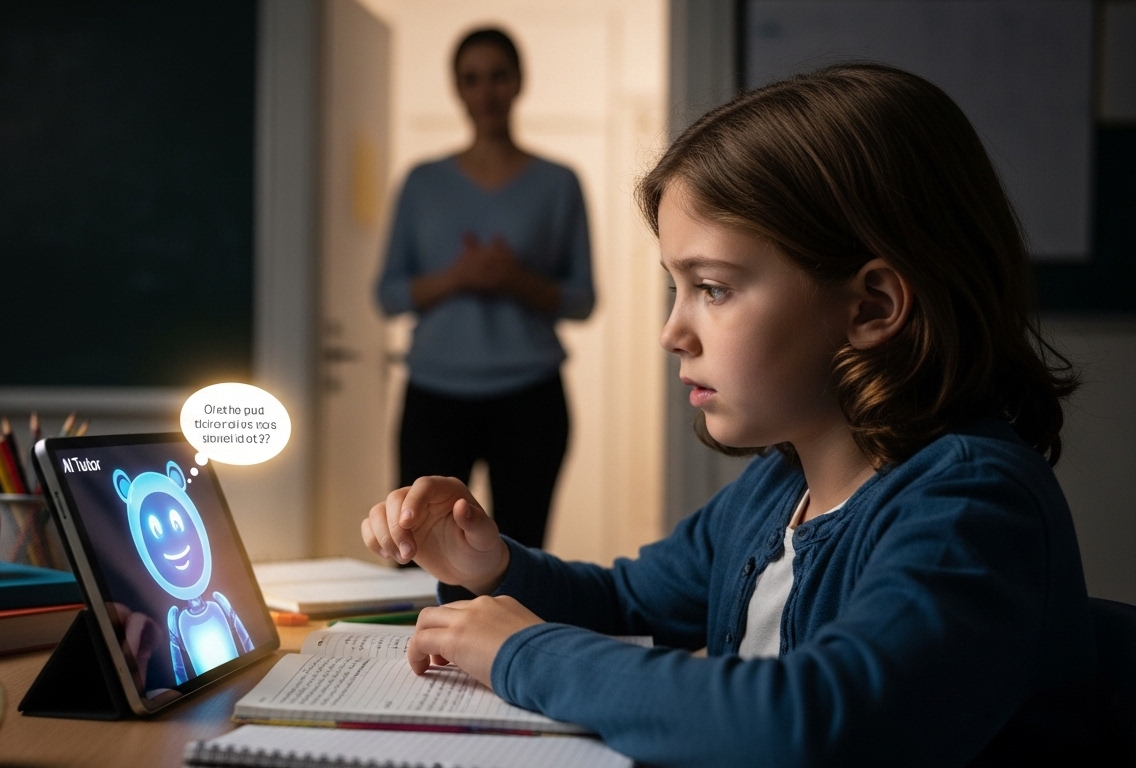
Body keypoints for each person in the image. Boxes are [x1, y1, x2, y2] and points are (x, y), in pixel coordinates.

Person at [361, 63, 1107, 765]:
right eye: (674, 289)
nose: (672, 332)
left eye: (712, 288)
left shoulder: (969, 508)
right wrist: (489, 565)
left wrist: (524, 653)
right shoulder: (778, 486)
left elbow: (812, 722)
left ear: (872, 306)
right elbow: (625, 600)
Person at [375, 27, 594, 550]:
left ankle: (513, 637)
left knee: (520, 551)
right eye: (472, 79)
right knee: (419, 547)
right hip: (434, 394)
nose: (486, 92)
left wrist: (515, 279)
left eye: (498, 77)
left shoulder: (559, 183)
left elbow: (583, 300)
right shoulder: (422, 182)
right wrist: (458, 277)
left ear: (519, 83)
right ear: (457, 88)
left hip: (530, 396)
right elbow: (388, 295)